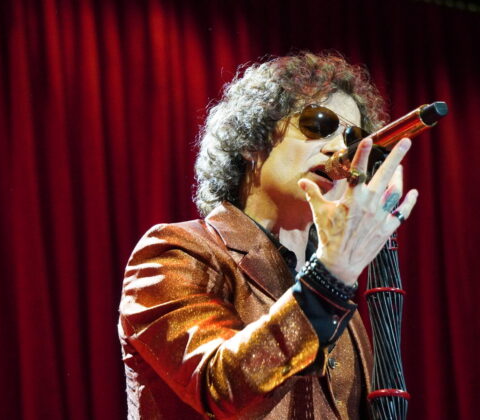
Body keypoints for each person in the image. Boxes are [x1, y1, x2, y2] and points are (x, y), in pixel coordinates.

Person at [118, 52, 418, 419]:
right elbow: (220, 386)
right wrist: (330, 276)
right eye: (318, 123)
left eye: (353, 138)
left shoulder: (342, 302)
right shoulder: (175, 252)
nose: (341, 150)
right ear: (251, 141)